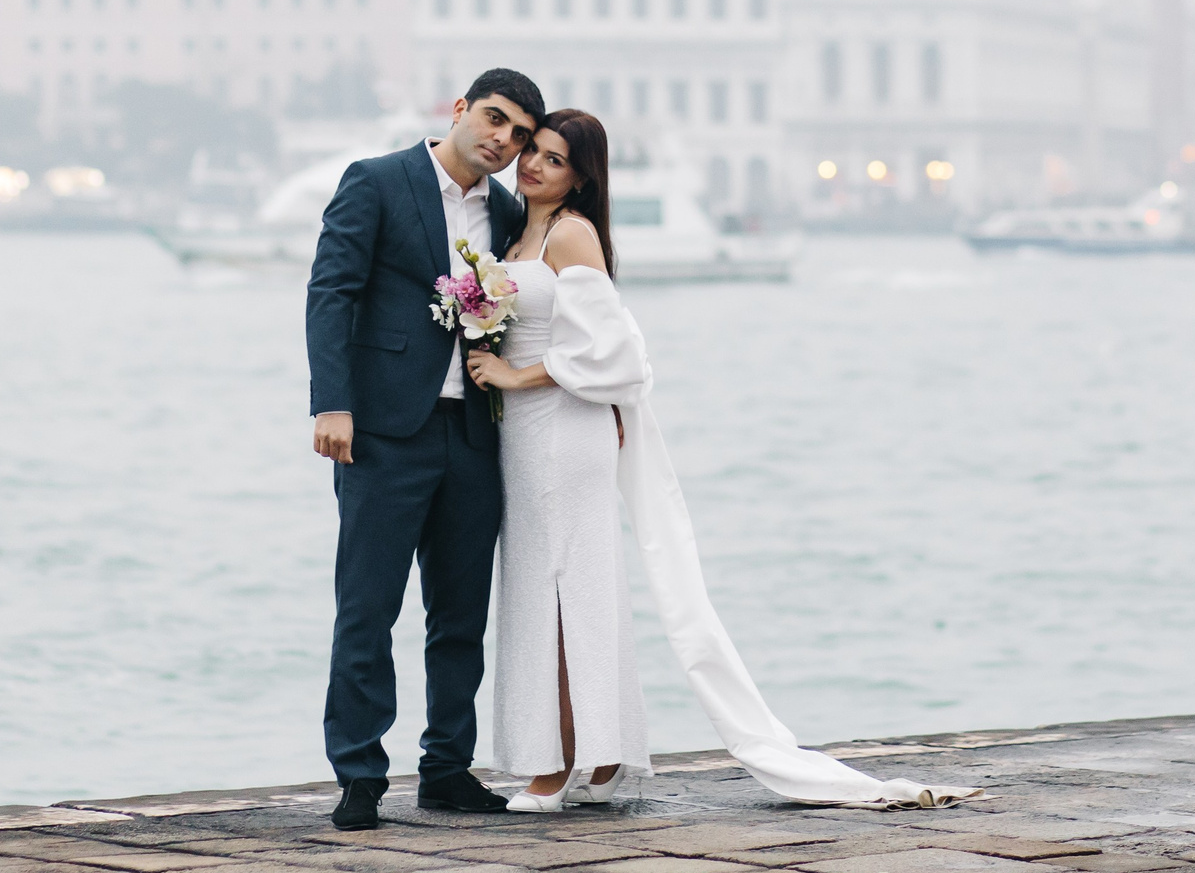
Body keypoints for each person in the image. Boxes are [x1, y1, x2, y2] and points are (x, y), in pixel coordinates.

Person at [466, 110, 973, 810]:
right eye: (534, 152)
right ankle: (602, 755)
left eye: (554, 160)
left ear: (580, 176)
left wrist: (517, 375)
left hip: (560, 428)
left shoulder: (571, 231)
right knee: (562, 586)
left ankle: (556, 766)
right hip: (524, 436)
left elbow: (618, 351)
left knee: (558, 592)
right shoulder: (518, 228)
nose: (534, 167)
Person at [306, 68, 544, 831]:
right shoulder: (376, 180)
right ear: (461, 109)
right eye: (496, 118)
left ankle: (446, 767)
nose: (503, 138)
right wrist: (331, 401)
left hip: (475, 433)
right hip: (380, 430)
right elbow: (331, 290)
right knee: (367, 607)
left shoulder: (508, 214)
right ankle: (360, 774)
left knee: (460, 614)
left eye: (517, 134)